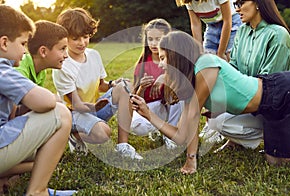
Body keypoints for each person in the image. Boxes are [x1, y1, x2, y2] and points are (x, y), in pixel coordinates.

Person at [130, 31, 290, 172]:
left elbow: (194, 116)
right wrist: (148, 114)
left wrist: (191, 161)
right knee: (275, 161)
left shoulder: (206, 63)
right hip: (267, 110)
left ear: (176, 56)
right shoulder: (191, 85)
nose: (160, 64)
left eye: (163, 58)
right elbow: (181, 136)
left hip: (285, 92)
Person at [198, 0, 290, 154]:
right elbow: (234, 70)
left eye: (240, 3)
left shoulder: (278, 35)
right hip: (250, 99)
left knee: (221, 121)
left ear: (258, 3)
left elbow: (270, 90)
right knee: (215, 120)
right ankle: (238, 141)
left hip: (273, 105)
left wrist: (232, 106)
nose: (236, 9)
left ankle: (281, 133)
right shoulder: (243, 31)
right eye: (235, 5)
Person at [0, 5, 76, 195]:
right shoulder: (2, 69)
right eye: (23, 43)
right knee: (61, 114)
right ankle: (37, 191)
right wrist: (55, 97)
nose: (26, 51)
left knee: (46, 148)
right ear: (4, 43)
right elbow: (46, 103)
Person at [53, 8, 143, 160]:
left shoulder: (93, 55)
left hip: (95, 107)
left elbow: (101, 86)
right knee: (103, 134)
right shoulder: (63, 65)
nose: (82, 43)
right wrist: (96, 107)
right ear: (64, 37)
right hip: (74, 113)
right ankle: (72, 134)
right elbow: (76, 105)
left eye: (85, 37)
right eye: (75, 38)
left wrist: (114, 84)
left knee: (125, 86)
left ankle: (123, 146)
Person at [130, 18, 182, 149]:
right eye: (150, 39)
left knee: (180, 97)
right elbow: (135, 97)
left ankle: (170, 134)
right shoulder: (142, 64)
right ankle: (159, 127)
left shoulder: (173, 60)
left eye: (158, 39)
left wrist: (165, 76)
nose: (153, 44)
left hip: (169, 103)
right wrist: (142, 87)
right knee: (136, 126)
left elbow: (183, 83)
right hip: (151, 106)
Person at [176, 0, 242, 61]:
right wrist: (199, 52)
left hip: (232, 22)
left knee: (229, 55)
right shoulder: (189, 1)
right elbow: (196, 25)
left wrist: (221, 52)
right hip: (212, 26)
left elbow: (227, 21)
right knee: (208, 58)